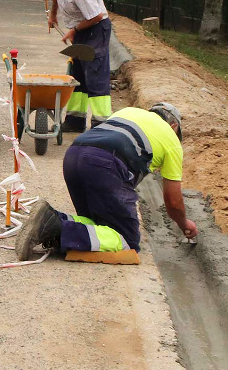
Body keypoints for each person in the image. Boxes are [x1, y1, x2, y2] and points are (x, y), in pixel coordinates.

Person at [16, 103, 198, 259]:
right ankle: (55, 229)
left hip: (74, 156)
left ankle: (48, 219)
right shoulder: (171, 140)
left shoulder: (128, 112)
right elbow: (173, 202)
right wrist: (184, 224)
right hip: (106, 164)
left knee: (98, 225)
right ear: (174, 126)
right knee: (128, 240)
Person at [45, 0, 112, 131]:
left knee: (95, 74)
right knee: (77, 74)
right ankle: (75, 121)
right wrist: (53, 15)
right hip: (81, 27)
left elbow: (96, 16)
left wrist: (73, 31)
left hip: (96, 29)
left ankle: (101, 125)